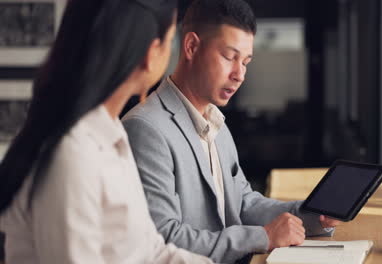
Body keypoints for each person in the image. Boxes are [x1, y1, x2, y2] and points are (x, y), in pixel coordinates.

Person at [122, 0, 342, 263]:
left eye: (246, 62)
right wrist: (263, 237)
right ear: (191, 46)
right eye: (229, 57)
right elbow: (165, 239)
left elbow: (243, 203)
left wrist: (313, 215)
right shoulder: (146, 129)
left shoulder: (216, 123)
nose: (240, 74)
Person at [0, 0, 213, 263]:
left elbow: (151, 252)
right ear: (151, 53)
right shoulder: (72, 154)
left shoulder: (111, 132)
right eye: (171, 41)